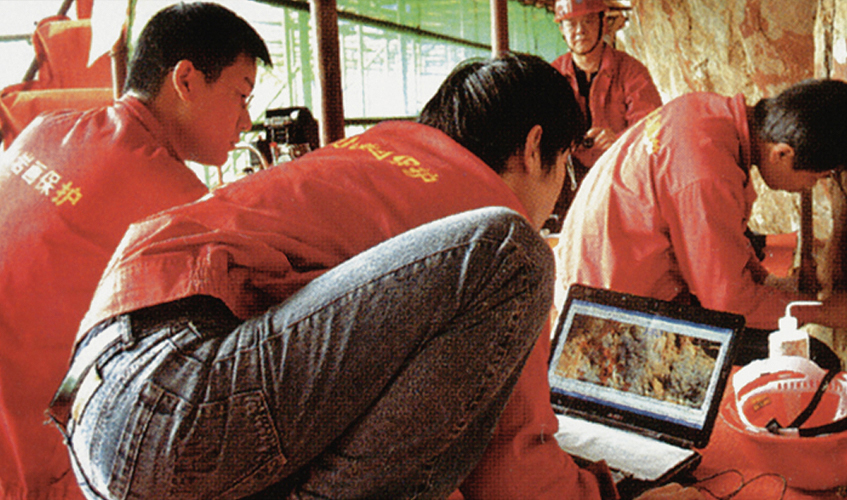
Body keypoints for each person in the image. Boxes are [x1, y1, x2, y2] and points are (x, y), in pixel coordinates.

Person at [48, 54, 701, 500]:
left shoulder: (385, 157)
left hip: (100, 406)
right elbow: (513, 475)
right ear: (535, 148)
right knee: (517, 253)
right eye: (563, 169)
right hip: (177, 395)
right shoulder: (483, 213)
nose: (558, 195)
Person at [0, 3, 271, 498]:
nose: (246, 122)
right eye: (241, 95)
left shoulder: (43, 130)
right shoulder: (176, 200)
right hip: (35, 467)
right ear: (185, 80)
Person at [554, 79, 847, 368]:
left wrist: (775, 286)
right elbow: (729, 304)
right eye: (818, 177)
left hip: (595, 282)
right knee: (816, 362)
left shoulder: (709, 114)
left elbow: (718, 240)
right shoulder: (706, 174)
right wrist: (822, 311)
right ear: (782, 153)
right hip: (605, 324)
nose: (812, 187)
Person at [546, 0, 662, 231]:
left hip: (620, 176)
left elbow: (655, 132)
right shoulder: (552, 75)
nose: (579, 30)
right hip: (568, 181)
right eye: (570, 24)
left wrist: (620, 140)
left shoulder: (631, 72)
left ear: (603, 23)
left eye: (588, 21)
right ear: (561, 29)